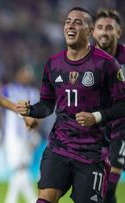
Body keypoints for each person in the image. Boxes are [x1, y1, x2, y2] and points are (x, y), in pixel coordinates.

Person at [16, 7, 125, 203]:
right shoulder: (53, 64)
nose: (70, 26)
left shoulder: (107, 65)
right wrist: (31, 110)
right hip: (59, 147)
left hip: (92, 154)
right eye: (68, 22)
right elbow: (47, 105)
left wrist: (96, 117)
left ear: (90, 31)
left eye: (77, 22)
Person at [93, 9, 125, 203]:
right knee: (99, 192)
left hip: (121, 130)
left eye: (109, 28)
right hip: (95, 131)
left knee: (108, 186)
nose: (104, 32)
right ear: (93, 32)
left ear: (118, 32)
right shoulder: (84, 57)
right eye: (100, 28)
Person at [0, 64, 39, 203]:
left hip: (27, 135)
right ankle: (32, 200)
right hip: (12, 135)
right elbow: (0, 110)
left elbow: (38, 115)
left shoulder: (33, 92)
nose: (28, 76)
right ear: (18, 74)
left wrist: (35, 133)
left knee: (21, 170)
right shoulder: (8, 90)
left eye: (30, 73)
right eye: (25, 72)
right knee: (19, 168)